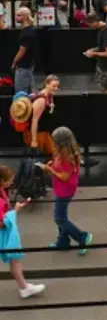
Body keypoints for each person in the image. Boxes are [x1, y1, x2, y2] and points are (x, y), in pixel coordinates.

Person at [39, 127, 91, 253]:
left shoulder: (68, 157)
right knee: (62, 215)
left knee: (59, 218)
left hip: (65, 190)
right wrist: (52, 164)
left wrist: (50, 170)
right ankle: (63, 242)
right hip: (60, 189)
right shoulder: (62, 153)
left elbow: (64, 177)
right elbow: (59, 167)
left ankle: (82, 237)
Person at [0, 164, 47, 298]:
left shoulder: (3, 192)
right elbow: (2, 223)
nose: (13, 181)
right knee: (14, 259)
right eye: (10, 179)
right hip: (4, 235)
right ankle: (24, 288)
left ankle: (24, 286)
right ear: (3, 181)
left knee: (14, 259)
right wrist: (15, 212)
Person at [84, 13, 107, 93]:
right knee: (103, 88)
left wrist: (93, 54)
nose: (90, 27)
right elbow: (102, 47)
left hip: (106, 67)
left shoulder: (106, 33)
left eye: (90, 24)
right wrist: (93, 50)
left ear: (95, 22)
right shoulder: (101, 31)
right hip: (102, 65)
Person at [11, 8, 36, 94]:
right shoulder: (29, 30)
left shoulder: (27, 32)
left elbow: (22, 50)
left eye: (19, 15)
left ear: (25, 17)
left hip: (24, 66)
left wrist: (14, 62)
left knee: (20, 92)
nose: (16, 17)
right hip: (27, 65)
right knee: (29, 91)